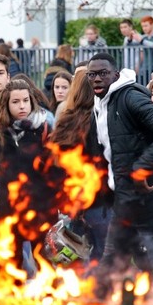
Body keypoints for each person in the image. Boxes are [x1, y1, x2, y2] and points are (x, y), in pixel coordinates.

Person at [87, 52, 153, 298]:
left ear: (115, 75)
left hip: (151, 196)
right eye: (92, 74)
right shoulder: (99, 105)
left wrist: (143, 167)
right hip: (126, 198)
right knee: (112, 262)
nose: (97, 79)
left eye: (103, 73)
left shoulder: (128, 97)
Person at [51, 71, 113, 262]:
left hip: (75, 203)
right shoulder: (102, 119)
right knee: (104, 256)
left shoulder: (65, 120)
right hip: (102, 201)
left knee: (80, 254)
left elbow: (56, 166)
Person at [0, 79, 51, 275]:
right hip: (8, 206)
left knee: (44, 262)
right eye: (16, 102)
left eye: (25, 100)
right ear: (7, 105)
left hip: (39, 206)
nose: (22, 106)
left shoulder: (43, 128)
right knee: (12, 264)